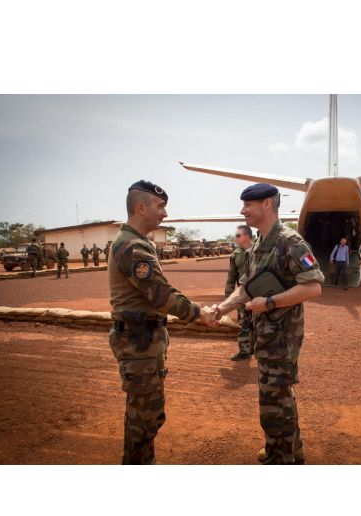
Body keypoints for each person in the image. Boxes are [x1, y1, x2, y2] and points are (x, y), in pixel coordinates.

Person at [212, 183, 324, 464]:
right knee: (278, 394)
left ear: (266, 205)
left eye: (247, 205)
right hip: (266, 335)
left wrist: (270, 303)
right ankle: (289, 448)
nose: (242, 210)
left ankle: (282, 458)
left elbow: (313, 287)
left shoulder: (290, 241)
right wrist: (222, 308)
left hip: (282, 335)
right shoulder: (258, 244)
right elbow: (245, 287)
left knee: (274, 399)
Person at [108, 179, 216, 465]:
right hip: (138, 342)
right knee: (143, 419)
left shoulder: (139, 242)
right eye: (161, 207)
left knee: (147, 415)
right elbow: (158, 293)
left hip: (143, 341)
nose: (165, 214)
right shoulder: (131, 245)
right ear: (141, 207)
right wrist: (198, 313)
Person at [225, 225, 254, 361]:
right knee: (243, 322)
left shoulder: (260, 251)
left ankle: (260, 349)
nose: (235, 238)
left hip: (260, 294)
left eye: (238, 235)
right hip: (242, 294)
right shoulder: (235, 255)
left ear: (247, 236)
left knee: (261, 322)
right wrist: (228, 296)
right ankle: (244, 350)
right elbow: (231, 276)